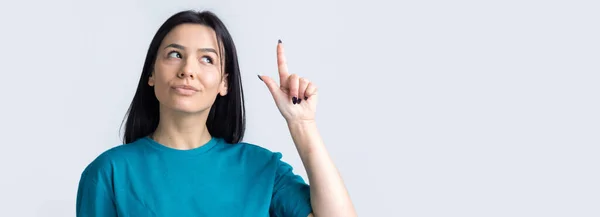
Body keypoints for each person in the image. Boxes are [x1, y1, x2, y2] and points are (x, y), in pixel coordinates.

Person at [76, 10, 356, 217]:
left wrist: (302, 124)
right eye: (174, 54)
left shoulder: (261, 170)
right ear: (151, 73)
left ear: (224, 83)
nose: (188, 70)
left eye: (207, 59)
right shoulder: (108, 174)